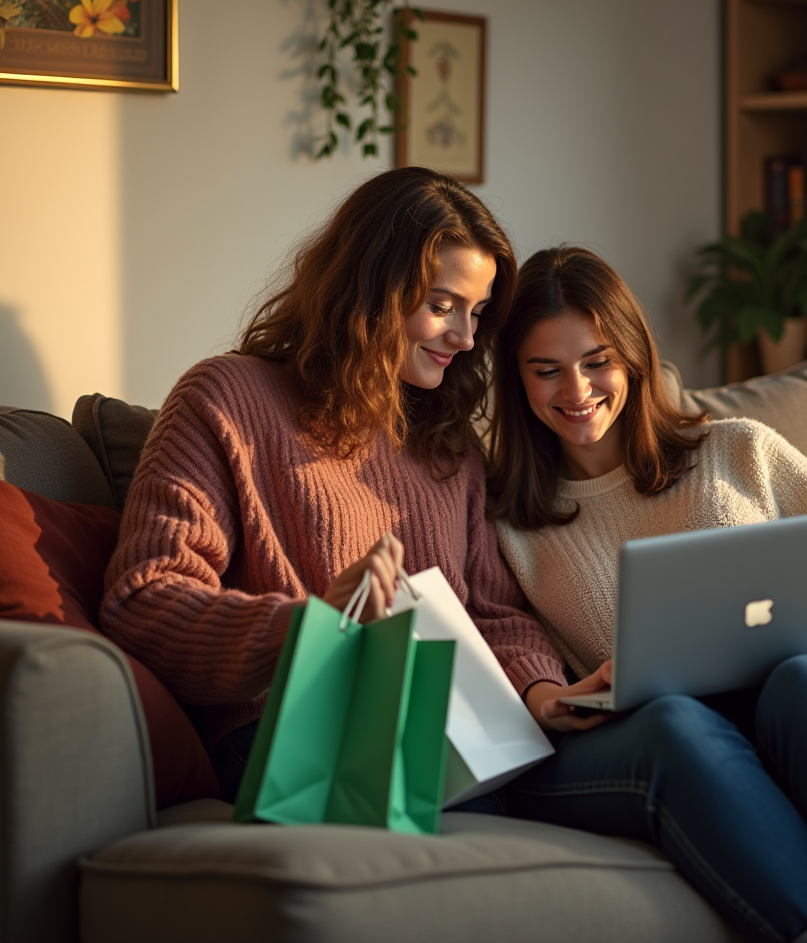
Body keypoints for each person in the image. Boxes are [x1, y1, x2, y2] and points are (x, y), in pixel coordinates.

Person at [483, 246, 807, 943]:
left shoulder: (738, 449)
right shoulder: (513, 523)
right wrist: (566, 689)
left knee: (802, 680)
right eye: (546, 370)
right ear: (516, 378)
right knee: (688, 720)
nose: (577, 389)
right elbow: (511, 643)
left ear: (634, 358)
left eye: (597, 361)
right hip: (721, 762)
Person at [101, 167, 566, 802]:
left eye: (477, 314)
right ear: (370, 290)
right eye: (441, 305)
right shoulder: (227, 399)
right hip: (295, 722)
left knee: (668, 737)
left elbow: (495, 613)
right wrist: (314, 628)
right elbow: (144, 601)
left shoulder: (447, 441)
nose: (465, 338)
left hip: (463, 729)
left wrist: (548, 693)